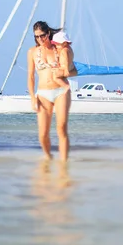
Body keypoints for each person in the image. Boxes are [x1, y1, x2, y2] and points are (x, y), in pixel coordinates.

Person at [27, 21, 77, 162]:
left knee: (61, 128)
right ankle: (48, 158)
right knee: (42, 134)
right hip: (43, 94)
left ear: (48, 33)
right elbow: (30, 76)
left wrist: (64, 72)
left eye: (42, 35)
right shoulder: (32, 52)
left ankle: (63, 164)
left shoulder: (60, 49)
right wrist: (32, 97)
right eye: (36, 36)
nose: (40, 39)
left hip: (61, 91)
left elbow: (74, 71)